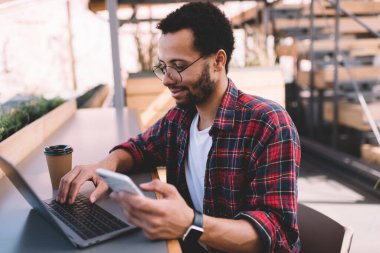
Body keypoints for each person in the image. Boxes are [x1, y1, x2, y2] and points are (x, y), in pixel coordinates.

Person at [56, 2, 301, 253]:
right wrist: (104, 166)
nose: (166, 79)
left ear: (218, 61)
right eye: (163, 66)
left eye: (179, 66)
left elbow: (276, 234)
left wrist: (190, 223)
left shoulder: (268, 124)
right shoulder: (181, 119)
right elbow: (139, 148)